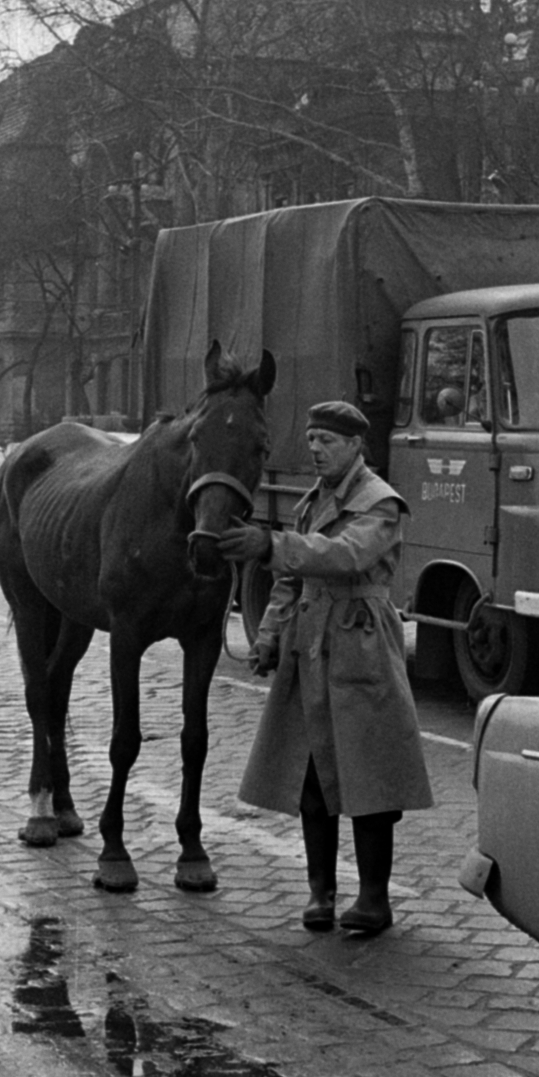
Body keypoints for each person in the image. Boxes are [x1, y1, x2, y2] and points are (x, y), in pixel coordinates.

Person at [217, 400, 433, 935]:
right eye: (311, 438)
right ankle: (321, 894)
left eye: (327, 440)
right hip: (310, 643)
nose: (314, 449)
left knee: (369, 779)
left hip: (361, 643)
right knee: (313, 775)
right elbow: (291, 581)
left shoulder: (380, 503)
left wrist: (271, 544)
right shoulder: (313, 501)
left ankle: (374, 900)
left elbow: (345, 557)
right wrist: (268, 635)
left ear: (356, 446)